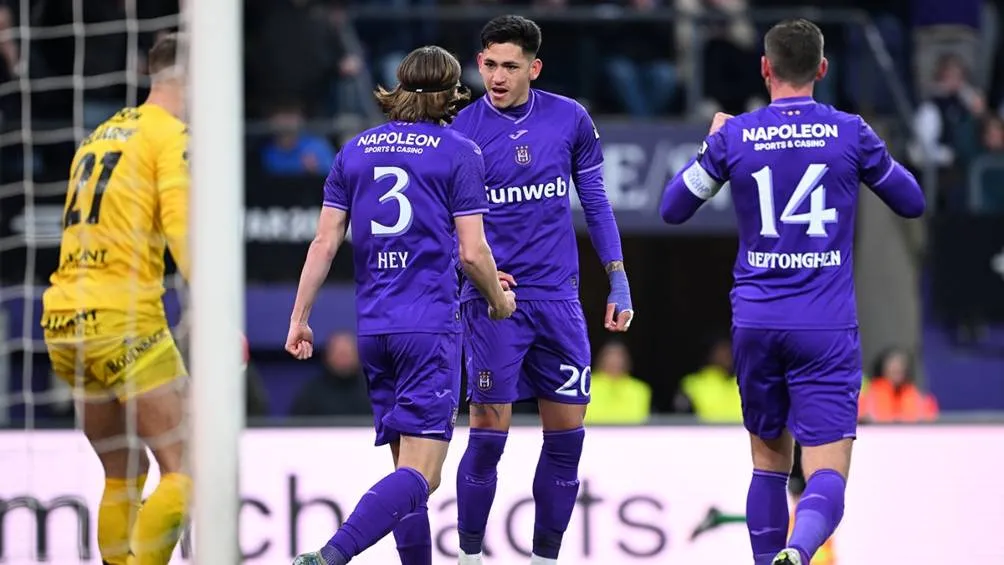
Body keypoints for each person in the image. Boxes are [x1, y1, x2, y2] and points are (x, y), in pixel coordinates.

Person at [659, 18, 925, 565]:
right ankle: (800, 553)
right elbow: (912, 200)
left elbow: (673, 208)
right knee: (826, 473)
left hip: (757, 322)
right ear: (822, 69)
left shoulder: (735, 136)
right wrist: (872, 156)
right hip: (824, 326)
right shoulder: (850, 132)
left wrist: (711, 145)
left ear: (765, 68)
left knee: (767, 465)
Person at [284, 45, 516, 565]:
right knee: (423, 476)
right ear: (452, 94)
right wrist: (498, 299)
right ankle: (331, 556)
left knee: (404, 476)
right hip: (429, 328)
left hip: (374, 330)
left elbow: (323, 242)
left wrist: (300, 319)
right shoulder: (459, 151)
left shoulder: (355, 149)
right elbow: (473, 251)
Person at [450, 15, 634, 565]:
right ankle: (469, 557)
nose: (497, 77)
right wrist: (474, 272)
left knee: (567, 439)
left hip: (558, 301)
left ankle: (545, 559)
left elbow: (595, 202)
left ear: (534, 67)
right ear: (478, 63)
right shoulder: (461, 129)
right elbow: (442, 220)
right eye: (489, 64)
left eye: (510, 66)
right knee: (488, 433)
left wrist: (618, 278)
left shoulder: (569, 118)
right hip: (494, 303)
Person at [40, 34, 192, 565]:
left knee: (124, 472)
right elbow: (184, 232)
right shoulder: (169, 135)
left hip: (64, 321)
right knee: (187, 467)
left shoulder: (99, 135)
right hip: (123, 318)